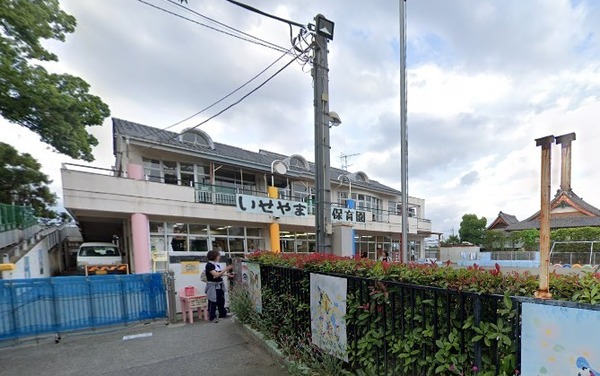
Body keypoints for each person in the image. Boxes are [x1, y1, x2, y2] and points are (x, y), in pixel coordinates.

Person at [205, 250, 233, 323]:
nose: (219, 257)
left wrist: (227, 274)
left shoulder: (216, 264)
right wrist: (226, 269)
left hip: (219, 284)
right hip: (212, 286)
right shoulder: (209, 265)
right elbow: (216, 275)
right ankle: (212, 317)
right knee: (212, 301)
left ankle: (222, 314)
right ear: (214, 256)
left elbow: (219, 273)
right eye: (218, 255)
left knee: (221, 300)